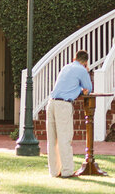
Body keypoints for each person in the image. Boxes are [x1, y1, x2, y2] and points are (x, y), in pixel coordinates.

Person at [47, 50, 92, 178]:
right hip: (63, 105)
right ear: (85, 62)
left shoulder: (66, 67)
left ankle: (54, 171)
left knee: (52, 139)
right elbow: (88, 89)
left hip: (51, 103)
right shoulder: (82, 70)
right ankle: (67, 171)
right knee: (65, 138)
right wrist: (82, 82)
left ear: (74, 58)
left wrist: (77, 88)